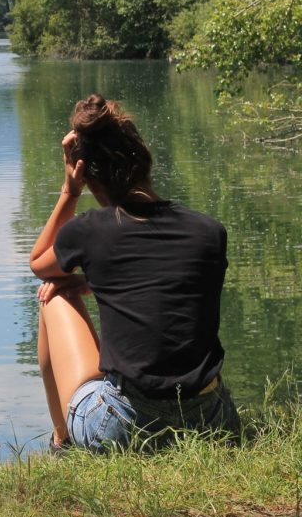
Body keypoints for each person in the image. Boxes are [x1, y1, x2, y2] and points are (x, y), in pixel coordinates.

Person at [29, 94, 240, 452]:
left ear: (90, 178)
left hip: (124, 427)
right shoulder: (209, 231)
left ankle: (62, 443)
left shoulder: (90, 230)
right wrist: (96, 281)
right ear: (145, 162)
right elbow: (167, 285)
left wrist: (70, 190)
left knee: (54, 292)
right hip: (213, 422)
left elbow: (39, 263)